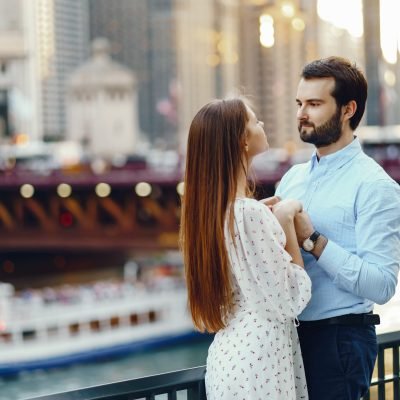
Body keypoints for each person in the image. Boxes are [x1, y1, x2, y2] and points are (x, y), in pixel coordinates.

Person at [273, 56, 400, 399]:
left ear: (348, 109)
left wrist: (312, 240)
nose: (302, 113)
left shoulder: (375, 186)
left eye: (314, 103)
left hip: (338, 341)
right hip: (285, 339)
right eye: (300, 103)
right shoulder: (291, 178)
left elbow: (383, 285)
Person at [180, 97, 312, 400]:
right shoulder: (247, 214)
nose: (261, 124)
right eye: (254, 121)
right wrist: (285, 220)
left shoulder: (213, 215)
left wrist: (263, 217)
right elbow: (291, 299)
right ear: (241, 140)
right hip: (260, 364)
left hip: (227, 362)